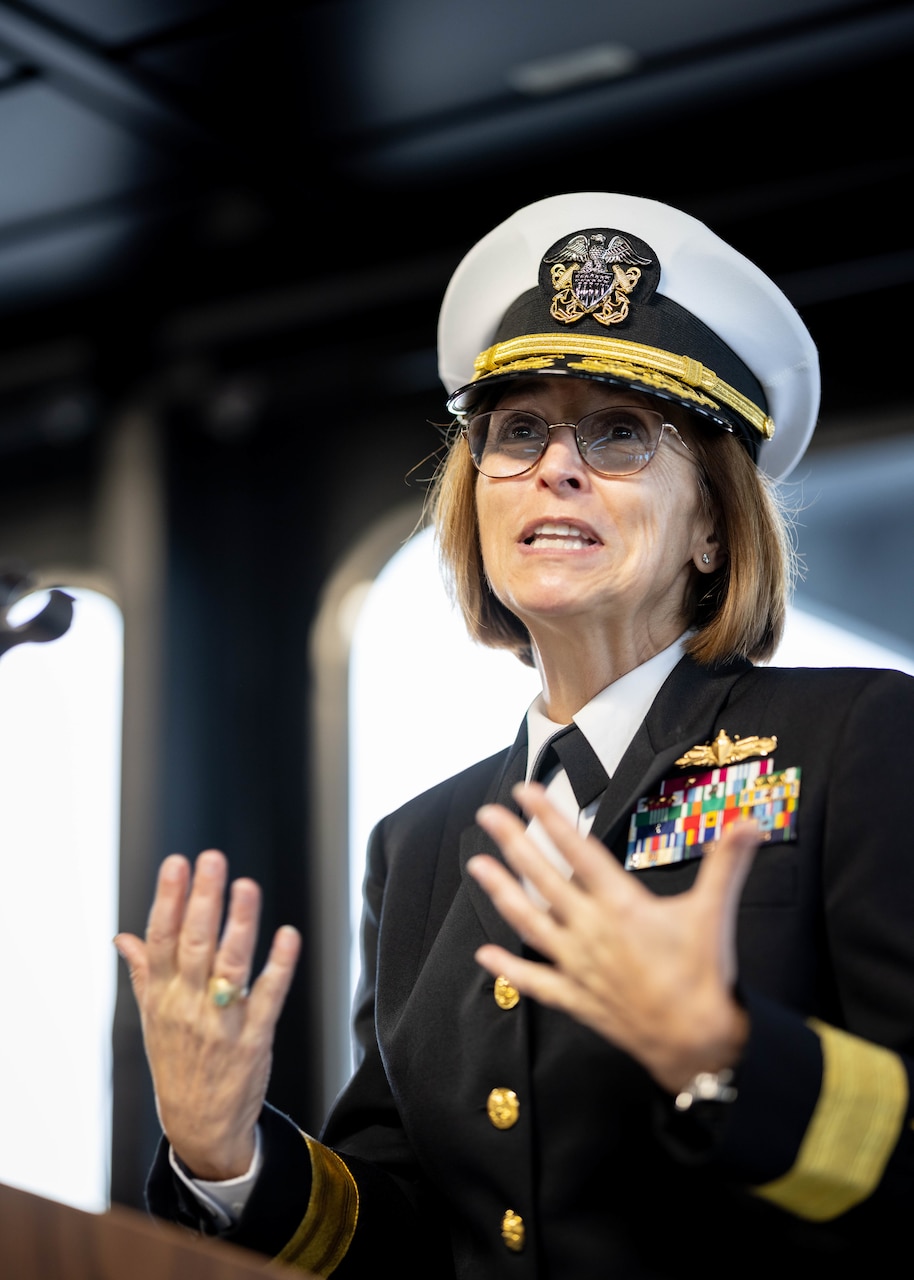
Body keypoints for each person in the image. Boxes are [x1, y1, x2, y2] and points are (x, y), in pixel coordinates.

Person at [115, 192, 914, 1278]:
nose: (556, 466)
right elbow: (400, 1230)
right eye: (517, 431)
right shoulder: (420, 845)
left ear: (715, 526)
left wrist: (726, 1058)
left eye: (620, 432)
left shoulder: (859, 739)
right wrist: (225, 1153)